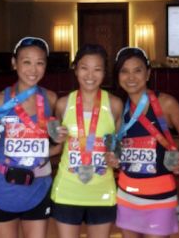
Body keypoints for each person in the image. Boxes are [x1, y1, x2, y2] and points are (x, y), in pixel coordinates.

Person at [0, 36, 66, 238]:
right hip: (3, 187)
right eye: (26, 62)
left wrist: (59, 142)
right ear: (14, 63)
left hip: (38, 186)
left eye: (40, 63)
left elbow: (54, 148)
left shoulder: (50, 99)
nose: (33, 69)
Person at [108, 47, 179, 238]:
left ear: (148, 74)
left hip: (160, 195)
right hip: (127, 193)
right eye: (124, 71)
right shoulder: (120, 108)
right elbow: (117, 143)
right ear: (118, 76)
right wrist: (113, 156)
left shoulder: (166, 103)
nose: (131, 77)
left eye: (137, 70)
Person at [50, 44, 123, 238]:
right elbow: (56, 145)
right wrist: (56, 140)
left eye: (97, 69)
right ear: (75, 69)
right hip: (67, 189)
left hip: (102, 191)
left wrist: (116, 157)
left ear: (104, 72)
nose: (90, 75)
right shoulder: (63, 104)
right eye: (84, 68)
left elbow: (117, 145)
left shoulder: (115, 105)